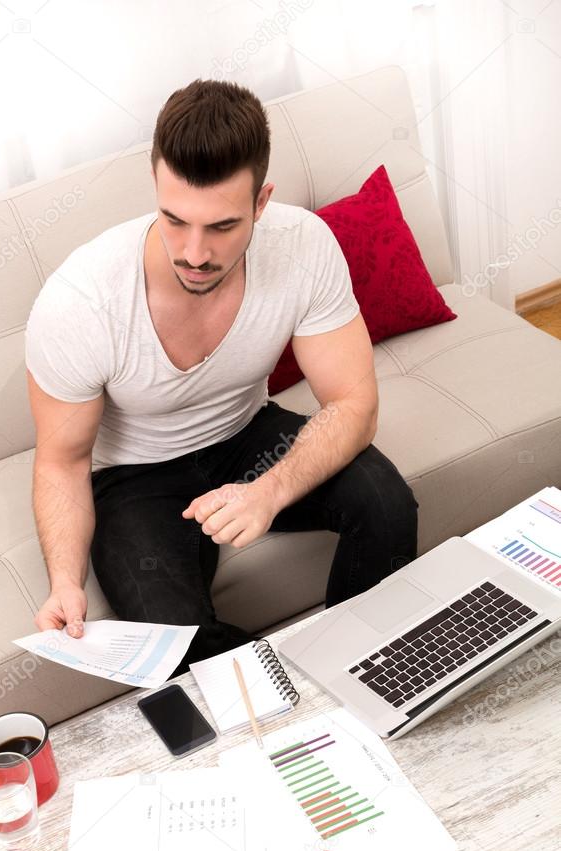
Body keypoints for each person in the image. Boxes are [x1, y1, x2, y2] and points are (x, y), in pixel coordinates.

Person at [25, 78, 419, 674]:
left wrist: (269, 491)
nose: (194, 252)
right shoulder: (82, 301)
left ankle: (360, 666)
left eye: (222, 226)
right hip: (134, 479)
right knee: (171, 641)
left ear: (262, 203)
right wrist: (64, 581)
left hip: (246, 435)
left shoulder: (302, 245)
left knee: (387, 503)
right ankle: (298, 705)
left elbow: (352, 403)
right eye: (174, 220)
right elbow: (62, 461)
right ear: (155, 185)